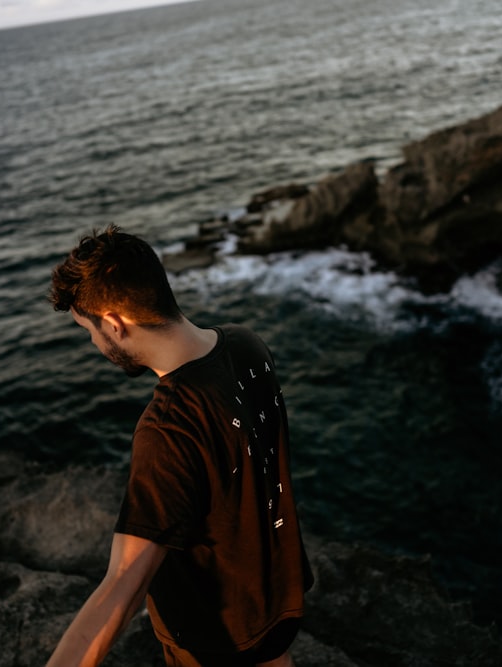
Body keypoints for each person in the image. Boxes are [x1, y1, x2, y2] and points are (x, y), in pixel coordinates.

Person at [46, 225, 313, 667]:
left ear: (114, 323)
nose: (94, 343)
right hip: (278, 600)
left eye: (89, 330)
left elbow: (125, 583)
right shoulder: (247, 343)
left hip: (215, 636)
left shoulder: (167, 427)